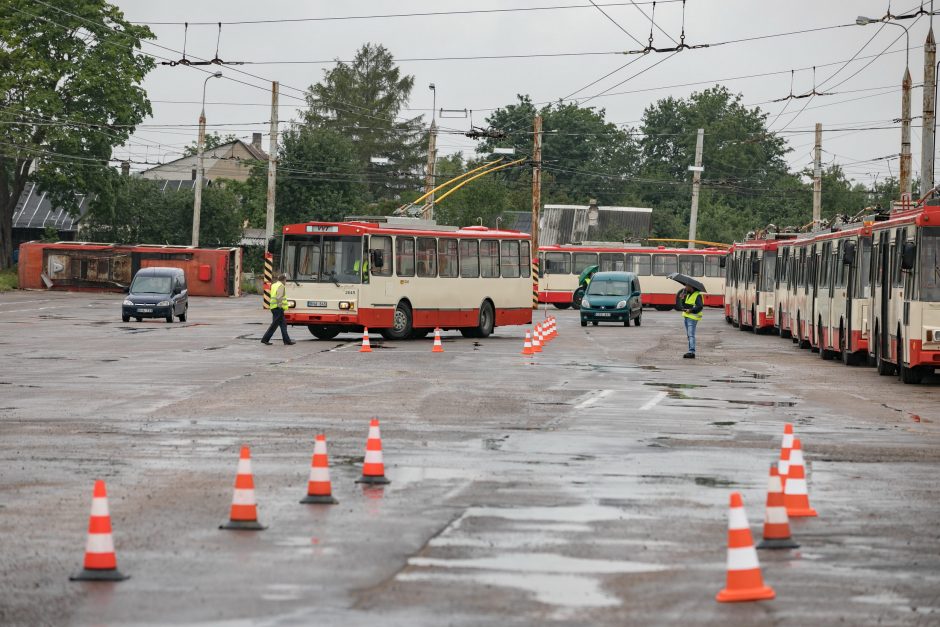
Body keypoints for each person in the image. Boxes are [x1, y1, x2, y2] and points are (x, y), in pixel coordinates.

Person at [261, 273, 295, 345]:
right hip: (278, 308)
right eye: (286, 280)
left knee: (283, 325)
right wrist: (280, 307)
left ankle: (287, 341)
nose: (286, 282)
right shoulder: (281, 286)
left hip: (274, 307)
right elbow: (279, 297)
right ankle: (265, 339)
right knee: (274, 325)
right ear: (283, 280)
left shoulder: (274, 285)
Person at [676, 286, 703, 359]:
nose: (685, 287)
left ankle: (691, 352)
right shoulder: (687, 294)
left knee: (691, 334)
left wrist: (691, 310)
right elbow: (684, 305)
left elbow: (700, 306)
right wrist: (682, 298)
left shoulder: (697, 295)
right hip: (687, 316)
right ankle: (690, 350)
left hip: (693, 317)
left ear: (691, 287)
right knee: (689, 335)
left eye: (687, 286)